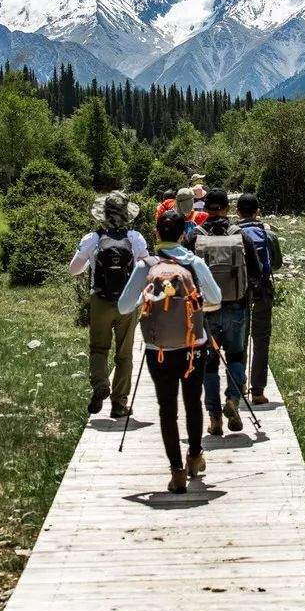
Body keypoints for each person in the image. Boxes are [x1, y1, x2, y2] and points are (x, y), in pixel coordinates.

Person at [118, 211, 222, 494]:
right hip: (193, 346)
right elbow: (216, 298)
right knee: (192, 401)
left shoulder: (146, 266)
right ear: (182, 235)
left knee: (167, 409)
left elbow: (124, 307)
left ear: (156, 235)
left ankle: (176, 473)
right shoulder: (194, 262)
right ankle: (195, 456)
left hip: (157, 348)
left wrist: (148, 298)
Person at [69, 191, 148, 418]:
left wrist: (89, 264)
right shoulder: (136, 239)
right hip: (128, 301)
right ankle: (119, 404)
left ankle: (100, 384)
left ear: (102, 214)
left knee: (98, 348)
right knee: (124, 353)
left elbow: (74, 269)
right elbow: (144, 269)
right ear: (126, 214)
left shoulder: (91, 239)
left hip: (100, 300)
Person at [189, 188, 262, 436]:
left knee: (209, 365)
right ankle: (233, 400)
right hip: (237, 308)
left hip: (206, 312)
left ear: (205, 208)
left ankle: (214, 419)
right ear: (227, 209)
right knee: (236, 357)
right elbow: (256, 270)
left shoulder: (195, 236)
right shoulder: (239, 235)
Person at [235, 192, 283, 404]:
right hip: (263, 290)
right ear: (258, 212)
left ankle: (238, 384)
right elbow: (277, 264)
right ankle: (258, 391)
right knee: (261, 340)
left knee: (240, 340)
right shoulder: (268, 234)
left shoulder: (233, 234)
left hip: (239, 293)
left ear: (237, 212)